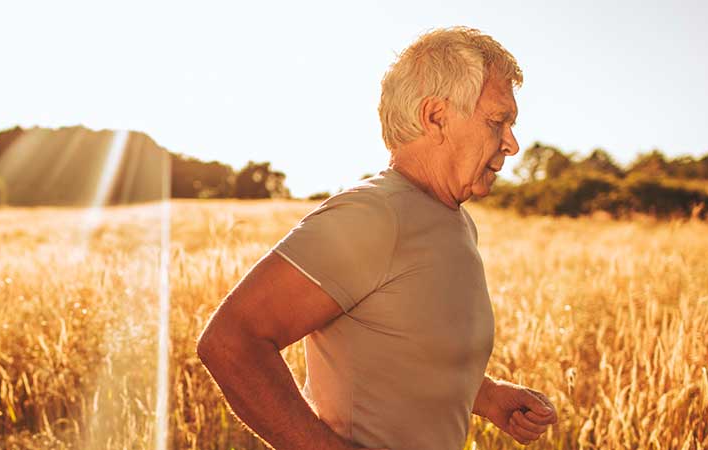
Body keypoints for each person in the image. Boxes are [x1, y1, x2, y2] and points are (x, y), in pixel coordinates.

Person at [196, 27, 559, 449]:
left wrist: (489, 396)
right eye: (498, 122)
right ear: (435, 117)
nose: (512, 144)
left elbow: (408, 356)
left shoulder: (453, 220)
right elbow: (230, 340)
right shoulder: (372, 216)